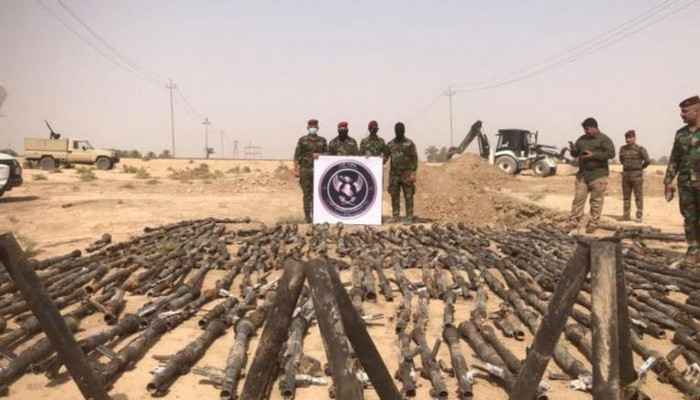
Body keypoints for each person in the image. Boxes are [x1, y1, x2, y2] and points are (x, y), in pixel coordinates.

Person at [664, 95, 700, 266]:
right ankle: (693, 250)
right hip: (686, 184)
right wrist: (668, 180)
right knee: (690, 218)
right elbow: (675, 159)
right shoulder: (681, 134)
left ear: (697, 111)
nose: (681, 114)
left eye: (685, 111)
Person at [566, 117, 616, 233]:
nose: (585, 131)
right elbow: (575, 154)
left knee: (596, 201)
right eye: (584, 129)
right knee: (578, 199)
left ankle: (593, 223)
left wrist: (594, 155)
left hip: (598, 175)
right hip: (582, 175)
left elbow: (611, 153)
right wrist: (573, 149)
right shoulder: (581, 139)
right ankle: (574, 220)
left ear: (594, 127)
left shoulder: (604, 139)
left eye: (587, 129)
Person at [294, 119, 327, 223]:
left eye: (314, 127)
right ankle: (307, 216)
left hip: (318, 172)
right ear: (308, 128)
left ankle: (316, 216)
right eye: (311, 127)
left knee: (317, 194)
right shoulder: (302, 140)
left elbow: (328, 154)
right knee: (307, 194)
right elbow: (296, 156)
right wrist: (296, 170)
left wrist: (320, 155)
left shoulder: (322, 141)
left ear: (317, 128)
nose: (313, 128)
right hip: (305, 171)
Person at [384, 122, 418, 222]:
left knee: (409, 195)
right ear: (395, 131)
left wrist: (413, 173)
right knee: (394, 196)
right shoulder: (390, 144)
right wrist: (372, 161)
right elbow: (384, 158)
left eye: (401, 130)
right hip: (394, 175)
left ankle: (409, 216)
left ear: (404, 130)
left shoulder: (409, 143)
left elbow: (414, 158)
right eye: (397, 130)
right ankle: (395, 216)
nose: (399, 132)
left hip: (406, 175)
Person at [619, 130, 650, 222]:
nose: (628, 140)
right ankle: (626, 215)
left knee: (638, 196)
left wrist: (640, 168)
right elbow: (622, 160)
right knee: (626, 196)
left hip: (637, 176)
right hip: (626, 175)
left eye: (630, 138)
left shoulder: (640, 149)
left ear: (634, 138)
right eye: (627, 138)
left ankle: (639, 216)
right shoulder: (622, 149)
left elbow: (647, 161)